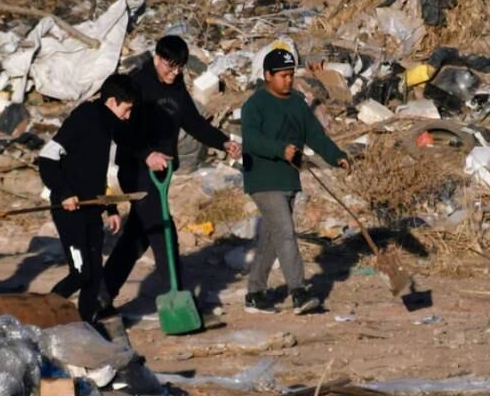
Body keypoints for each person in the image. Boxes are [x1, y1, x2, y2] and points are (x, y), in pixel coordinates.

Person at [103, 34, 241, 309]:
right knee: (163, 232)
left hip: (160, 172)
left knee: (138, 236)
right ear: (156, 58)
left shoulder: (176, 88)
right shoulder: (137, 85)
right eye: (170, 66)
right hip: (136, 169)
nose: (175, 72)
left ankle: (101, 295)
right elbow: (121, 131)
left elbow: (194, 123)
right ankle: (179, 301)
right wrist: (147, 155)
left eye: (180, 67)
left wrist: (223, 142)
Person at [240, 48, 350, 315]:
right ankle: (299, 292)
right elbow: (251, 140)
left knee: (271, 236)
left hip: (289, 177)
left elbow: (315, 136)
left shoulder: (297, 104)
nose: (288, 80)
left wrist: (338, 156)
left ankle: (255, 292)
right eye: (282, 75)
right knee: (286, 233)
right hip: (263, 179)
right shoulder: (254, 105)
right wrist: (281, 149)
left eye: (291, 75)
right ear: (267, 75)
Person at [37, 73, 140, 325]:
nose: (128, 117)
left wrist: (111, 208)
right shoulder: (84, 117)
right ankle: (44, 316)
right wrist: (63, 192)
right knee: (80, 273)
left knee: (94, 277)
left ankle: (85, 326)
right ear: (113, 102)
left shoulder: (111, 129)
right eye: (126, 110)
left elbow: (101, 174)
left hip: (91, 209)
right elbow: (47, 157)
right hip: (68, 210)